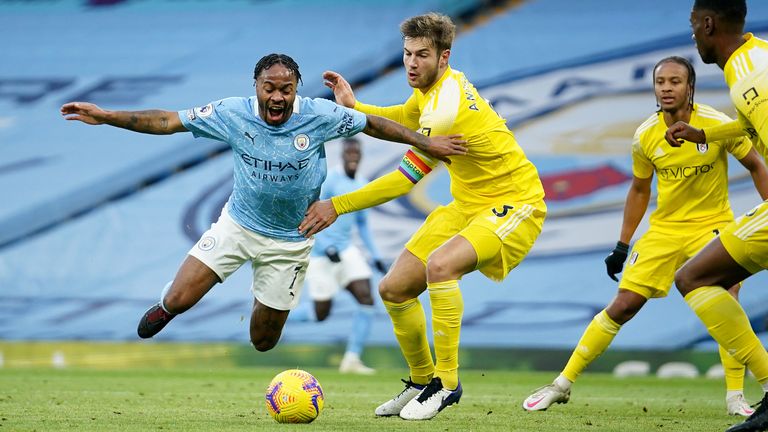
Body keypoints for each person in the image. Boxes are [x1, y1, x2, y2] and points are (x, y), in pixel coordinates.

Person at [60, 53, 466, 353]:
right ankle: (168, 300)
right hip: (237, 225)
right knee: (179, 301)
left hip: (290, 239)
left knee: (263, 341)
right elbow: (168, 121)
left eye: (285, 89)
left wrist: (425, 141)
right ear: (255, 87)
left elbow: (374, 123)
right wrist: (108, 115)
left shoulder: (319, 115)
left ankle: (262, 290)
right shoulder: (231, 113)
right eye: (269, 88)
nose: (277, 97)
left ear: (295, 90)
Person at [300, 13, 547, 420]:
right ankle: (420, 381)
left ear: (444, 57)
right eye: (407, 54)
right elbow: (404, 115)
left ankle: (446, 384)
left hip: (515, 202)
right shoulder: (432, 94)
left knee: (441, 266)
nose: (412, 63)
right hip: (467, 205)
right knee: (394, 288)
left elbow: (402, 179)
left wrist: (337, 205)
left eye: (422, 55)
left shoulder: (447, 109)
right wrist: (356, 106)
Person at [522, 55, 768, 416]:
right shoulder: (645, 136)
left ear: (690, 87)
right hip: (665, 231)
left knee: (725, 297)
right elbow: (639, 190)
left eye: (675, 81)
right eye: (660, 82)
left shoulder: (716, 125)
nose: (666, 88)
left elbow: (756, 165)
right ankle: (561, 384)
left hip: (712, 226)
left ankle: (735, 397)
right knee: (623, 305)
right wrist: (622, 245)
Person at [664, 1, 768, 431]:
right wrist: (703, 133)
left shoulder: (750, 76)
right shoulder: (755, 54)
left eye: (693, 26)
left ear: (708, 24)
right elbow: (749, 126)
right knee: (697, 277)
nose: (692, 34)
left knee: (694, 278)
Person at [294, 137, 387, 374]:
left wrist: (375, 255)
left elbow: (362, 224)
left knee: (366, 299)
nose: (353, 156)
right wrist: (326, 245)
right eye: (349, 152)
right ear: (343, 155)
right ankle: (277, 315)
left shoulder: (363, 184)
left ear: (361, 155)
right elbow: (308, 213)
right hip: (320, 255)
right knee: (320, 314)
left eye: (356, 152)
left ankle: (352, 359)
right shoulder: (331, 181)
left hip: (346, 250)